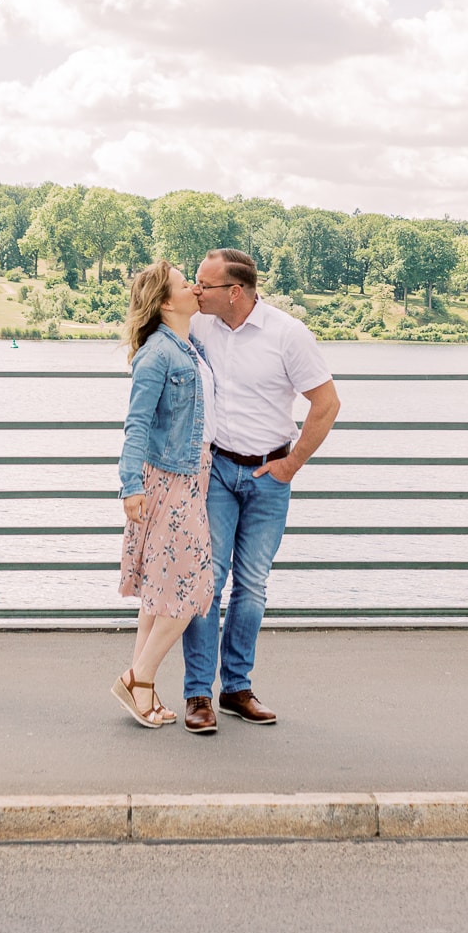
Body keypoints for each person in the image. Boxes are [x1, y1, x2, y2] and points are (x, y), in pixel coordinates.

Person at [181, 248, 340, 733]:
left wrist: (291, 464)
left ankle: (236, 689)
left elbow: (327, 403)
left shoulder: (288, 335)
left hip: (268, 476)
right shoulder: (199, 323)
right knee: (207, 583)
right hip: (217, 471)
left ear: (235, 292)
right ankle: (197, 696)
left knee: (252, 586)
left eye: (204, 284)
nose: (195, 290)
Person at [113, 260, 216, 729]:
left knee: (158, 591)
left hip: (193, 476)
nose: (194, 288)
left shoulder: (190, 346)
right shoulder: (158, 355)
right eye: (184, 284)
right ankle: (138, 677)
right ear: (165, 302)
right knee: (192, 588)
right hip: (169, 481)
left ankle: (143, 690)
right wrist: (129, 487)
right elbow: (136, 424)